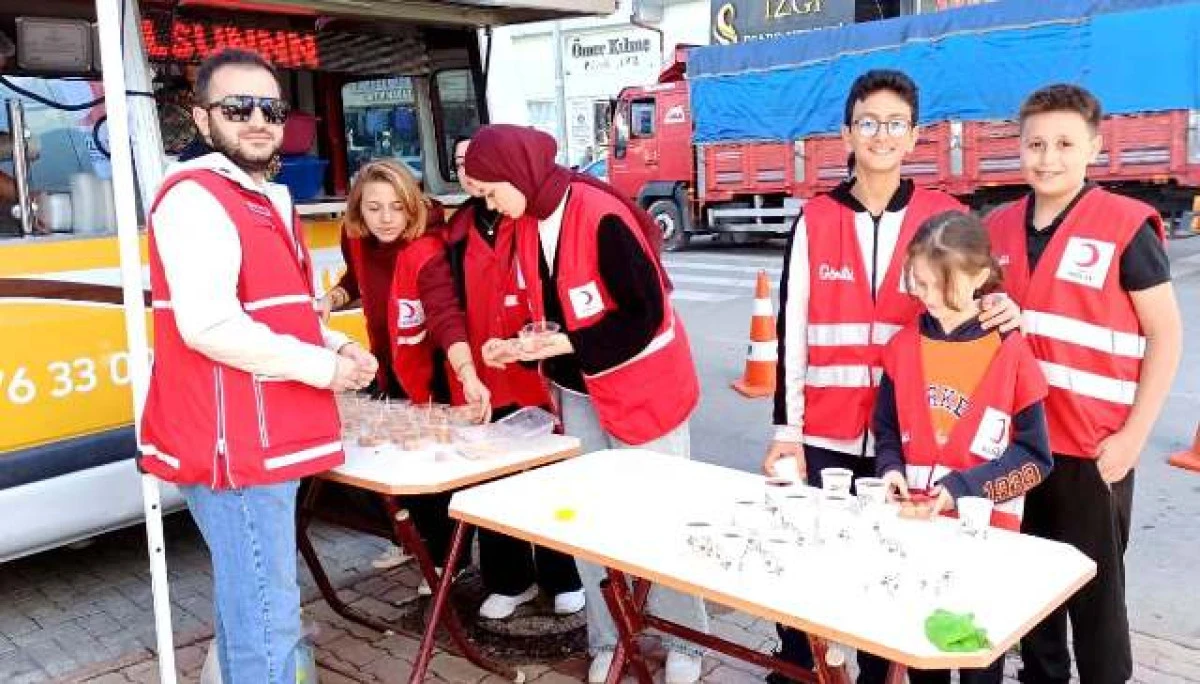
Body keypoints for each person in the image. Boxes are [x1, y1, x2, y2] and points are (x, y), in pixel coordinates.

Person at [761, 69, 1024, 684]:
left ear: (915, 137)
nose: (881, 134)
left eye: (895, 123)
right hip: (825, 431)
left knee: (889, 566)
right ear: (847, 133)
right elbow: (789, 328)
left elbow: (979, 302)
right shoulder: (816, 219)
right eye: (868, 122)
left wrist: (1007, 308)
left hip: (908, 441)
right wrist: (786, 428)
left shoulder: (944, 215)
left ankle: (882, 671)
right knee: (814, 560)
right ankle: (800, 666)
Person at [139, 48, 378, 683]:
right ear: (201, 117)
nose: (256, 120)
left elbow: (286, 310)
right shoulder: (195, 199)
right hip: (234, 444)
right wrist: (323, 369)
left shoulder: (265, 196)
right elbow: (209, 325)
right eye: (236, 107)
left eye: (269, 108)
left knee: (250, 602)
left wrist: (335, 348)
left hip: (266, 433)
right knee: (266, 614)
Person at [464, 124, 709, 684]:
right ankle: (610, 638)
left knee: (663, 519)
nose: (488, 203)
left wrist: (568, 343)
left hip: (647, 394)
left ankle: (684, 642)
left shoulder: (599, 214)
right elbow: (550, 311)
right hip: (581, 393)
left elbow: (643, 313)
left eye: (489, 191)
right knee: (589, 524)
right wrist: (522, 346)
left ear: (517, 173)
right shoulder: (526, 225)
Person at [985, 84, 1182, 684]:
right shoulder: (995, 229)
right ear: (1018, 148)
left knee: (1096, 610)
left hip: (1093, 453)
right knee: (1033, 603)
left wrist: (1133, 439)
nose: (1048, 157)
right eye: (1036, 143)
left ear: (1094, 146)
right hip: (1018, 449)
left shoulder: (1125, 227)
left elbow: (1166, 337)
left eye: (1065, 143)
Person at [872, 210, 1053, 682]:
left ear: (978, 277)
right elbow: (887, 430)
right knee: (923, 656)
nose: (924, 296)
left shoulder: (1009, 350)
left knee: (977, 660)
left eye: (937, 285)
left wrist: (960, 489)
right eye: (917, 282)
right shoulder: (903, 346)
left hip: (984, 540)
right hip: (917, 534)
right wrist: (889, 469)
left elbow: (1035, 458)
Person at [318, 158, 491, 587]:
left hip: (429, 367)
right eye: (374, 208)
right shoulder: (356, 238)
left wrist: (465, 371)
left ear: (412, 206)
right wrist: (335, 296)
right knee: (398, 462)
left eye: (396, 207)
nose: (386, 219)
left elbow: (444, 313)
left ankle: (445, 559)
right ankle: (417, 543)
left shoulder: (427, 248)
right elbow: (356, 280)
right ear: (359, 208)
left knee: (433, 466)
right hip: (384, 359)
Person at [445, 135, 586, 619]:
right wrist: (465, 367)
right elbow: (445, 305)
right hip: (484, 378)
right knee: (493, 484)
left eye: (479, 163)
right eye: (461, 164)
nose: (469, 172)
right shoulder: (457, 229)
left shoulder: (533, 219)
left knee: (551, 482)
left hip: (539, 378)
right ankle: (510, 579)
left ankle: (563, 575)